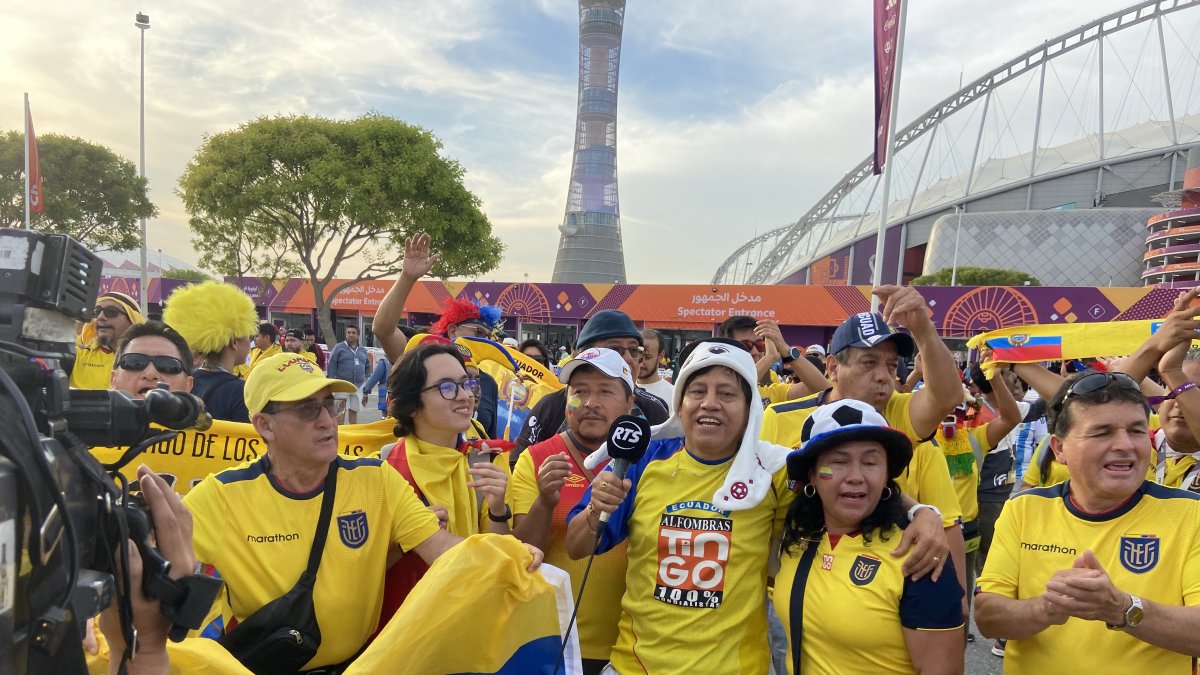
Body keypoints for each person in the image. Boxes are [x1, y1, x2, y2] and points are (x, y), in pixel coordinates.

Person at [563, 340, 948, 674]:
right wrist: (596, 508)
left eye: (727, 394)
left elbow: (847, 482)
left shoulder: (774, 469)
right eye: (697, 391)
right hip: (637, 667)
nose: (709, 403)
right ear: (680, 403)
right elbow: (577, 546)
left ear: (750, 407)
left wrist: (921, 513)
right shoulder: (643, 460)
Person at [185, 352, 523, 672]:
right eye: (306, 409)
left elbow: (444, 550)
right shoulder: (220, 496)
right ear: (265, 425)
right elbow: (159, 576)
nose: (326, 421)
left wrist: (508, 557)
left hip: (358, 666)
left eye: (328, 405)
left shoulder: (376, 479)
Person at [975, 371, 1200, 672]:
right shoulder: (1024, 508)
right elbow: (988, 618)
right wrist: (1048, 608)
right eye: (1102, 432)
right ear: (1059, 449)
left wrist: (1122, 608)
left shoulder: (1190, 514)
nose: (1125, 445)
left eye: (1136, 431)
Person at [760, 287, 969, 603]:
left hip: (873, 593)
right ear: (832, 368)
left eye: (890, 365)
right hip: (790, 586)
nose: (884, 376)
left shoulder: (899, 414)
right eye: (869, 363)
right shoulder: (780, 418)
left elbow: (949, 397)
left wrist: (924, 331)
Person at [775, 399, 964, 674]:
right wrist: (923, 509)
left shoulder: (918, 554)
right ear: (812, 474)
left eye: (871, 462)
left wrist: (926, 512)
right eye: (838, 462)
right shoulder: (794, 535)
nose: (856, 476)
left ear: (887, 474)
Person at [509, 348, 633, 675]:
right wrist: (545, 501)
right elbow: (522, 553)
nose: (591, 402)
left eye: (605, 391)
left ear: (629, 404)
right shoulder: (536, 458)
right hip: (549, 641)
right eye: (579, 392)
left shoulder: (650, 461)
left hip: (631, 646)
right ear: (567, 402)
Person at [377, 342, 516, 621]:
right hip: (399, 634)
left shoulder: (487, 460)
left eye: (466, 384)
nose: (465, 396)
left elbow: (500, 561)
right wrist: (412, 536)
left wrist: (499, 510)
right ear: (413, 404)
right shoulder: (382, 468)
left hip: (468, 628)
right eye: (447, 387)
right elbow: (361, 571)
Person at [372, 233, 501, 437]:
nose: (465, 394)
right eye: (477, 331)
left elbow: (489, 439)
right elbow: (383, 329)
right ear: (452, 330)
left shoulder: (488, 382)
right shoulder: (420, 358)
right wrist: (407, 278)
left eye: (487, 335)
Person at [516, 309, 670, 455]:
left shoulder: (654, 411)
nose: (629, 359)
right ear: (583, 354)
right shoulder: (550, 407)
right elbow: (519, 466)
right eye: (615, 349)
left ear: (630, 403)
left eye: (634, 350)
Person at [162, 281, 257, 423]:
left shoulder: (186, 381)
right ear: (234, 342)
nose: (250, 342)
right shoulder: (240, 392)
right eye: (249, 336)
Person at [718, 315, 828, 406]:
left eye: (760, 345)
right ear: (726, 348)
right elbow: (733, 389)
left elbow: (824, 389)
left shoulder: (769, 392)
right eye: (746, 345)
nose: (755, 352)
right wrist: (769, 358)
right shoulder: (712, 384)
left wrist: (786, 350)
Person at [72, 291, 144, 389]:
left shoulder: (150, 360)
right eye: (96, 312)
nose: (100, 317)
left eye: (111, 312)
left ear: (133, 319)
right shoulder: (76, 356)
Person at [109, 320, 195, 396]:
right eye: (135, 363)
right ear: (113, 379)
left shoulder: (203, 414)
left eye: (167, 366)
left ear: (188, 385)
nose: (150, 374)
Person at [327, 325, 371, 424]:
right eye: (349, 332)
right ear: (346, 334)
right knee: (340, 411)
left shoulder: (362, 350)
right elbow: (332, 365)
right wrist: (330, 384)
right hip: (342, 385)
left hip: (358, 386)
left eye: (353, 333)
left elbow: (368, 366)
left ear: (358, 335)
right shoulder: (339, 348)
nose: (351, 335)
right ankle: (341, 434)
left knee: (354, 411)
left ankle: (353, 435)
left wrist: (366, 379)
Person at [637, 328, 675, 409]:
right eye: (638, 355)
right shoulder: (624, 390)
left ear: (660, 356)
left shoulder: (673, 395)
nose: (641, 363)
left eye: (647, 357)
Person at [362, 351, 390, 418]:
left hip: (387, 400)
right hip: (404, 401)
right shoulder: (407, 360)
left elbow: (373, 379)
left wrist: (365, 392)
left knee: (386, 422)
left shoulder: (384, 363)